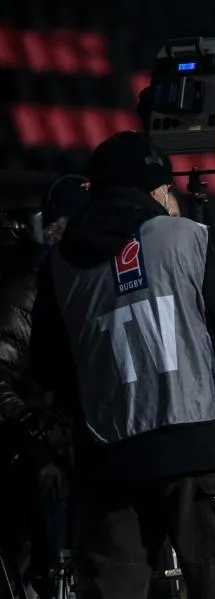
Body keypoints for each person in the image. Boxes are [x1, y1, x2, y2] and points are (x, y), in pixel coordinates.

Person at [29, 131, 215, 599]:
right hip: (198, 444)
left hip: (110, 457)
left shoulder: (60, 264)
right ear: (156, 190)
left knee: (119, 587)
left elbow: (47, 368)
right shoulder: (185, 238)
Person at [0, 175, 89, 598]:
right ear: (53, 231)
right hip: (43, 472)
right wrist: (38, 449)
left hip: (96, 463)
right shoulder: (27, 296)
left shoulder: (101, 287)